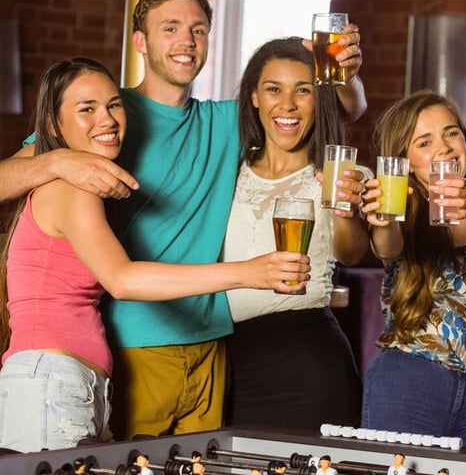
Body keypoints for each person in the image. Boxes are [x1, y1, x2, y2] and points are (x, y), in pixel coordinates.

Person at [0, 0, 366, 440]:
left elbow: (326, 108)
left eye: (197, 29)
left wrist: (347, 75)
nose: (185, 42)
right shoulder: (106, 119)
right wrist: (55, 159)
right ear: (141, 41)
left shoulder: (226, 122)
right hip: (135, 347)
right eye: (169, 28)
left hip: (211, 348)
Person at [0, 58, 310, 453]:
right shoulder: (70, 187)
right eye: (86, 109)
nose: (107, 119)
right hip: (50, 385)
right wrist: (249, 272)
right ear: (52, 126)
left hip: (70, 383)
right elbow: (123, 280)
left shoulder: (84, 182)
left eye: (114, 104)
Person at [222, 37, 368, 430]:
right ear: (254, 97)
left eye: (302, 90)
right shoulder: (223, 173)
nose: (287, 104)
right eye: (274, 89)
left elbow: (353, 254)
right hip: (226, 369)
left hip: (308, 366)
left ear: (318, 100)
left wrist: (347, 212)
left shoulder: (339, 176)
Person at [359, 90, 466, 448]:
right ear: (405, 161)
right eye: (424, 142)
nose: (443, 146)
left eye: (451, 132)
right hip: (411, 381)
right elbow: (388, 245)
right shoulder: (404, 206)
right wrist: (383, 222)